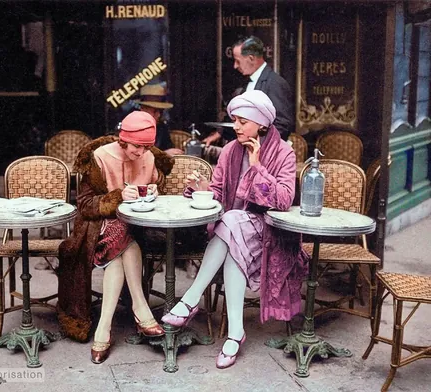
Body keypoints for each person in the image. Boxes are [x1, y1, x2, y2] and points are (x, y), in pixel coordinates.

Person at [161, 90, 308, 369]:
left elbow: (284, 200)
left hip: (270, 230)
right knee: (232, 233)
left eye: (242, 121)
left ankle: (190, 300)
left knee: (229, 222)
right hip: (235, 230)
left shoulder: (284, 153)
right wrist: (203, 189)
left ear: (261, 124)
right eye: (235, 121)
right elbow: (217, 191)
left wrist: (256, 167)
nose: (236, 127)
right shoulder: (229, 151)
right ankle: (235, 333)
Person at [57, 111, 174, 364]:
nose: (141, 153)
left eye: (146, 147)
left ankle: (104, 328)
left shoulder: (149, 157)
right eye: (136, 146)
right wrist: (118, 197)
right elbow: (85, 205)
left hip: (137, 227)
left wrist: (153, 190)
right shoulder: (99, 157)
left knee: (123, 241)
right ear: (123, 140)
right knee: (123, 237)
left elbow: (155, 188)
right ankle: (140, 309)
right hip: (95, 227)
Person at [203, 36, 294, 151]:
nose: (235, 66)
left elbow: (283, 125)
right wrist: (220, 134)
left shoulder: (276, 83)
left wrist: (259, 146)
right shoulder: (244, 83)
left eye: (238, 61)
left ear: (251, 58)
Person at [135, 84, 183, 156]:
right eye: (155, 111)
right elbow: (136, 155)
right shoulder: (133, 127)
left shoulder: (161, 127)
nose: (159, 115)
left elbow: (169, 147)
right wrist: (163, 154)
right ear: (143, 109)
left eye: (161, 111)